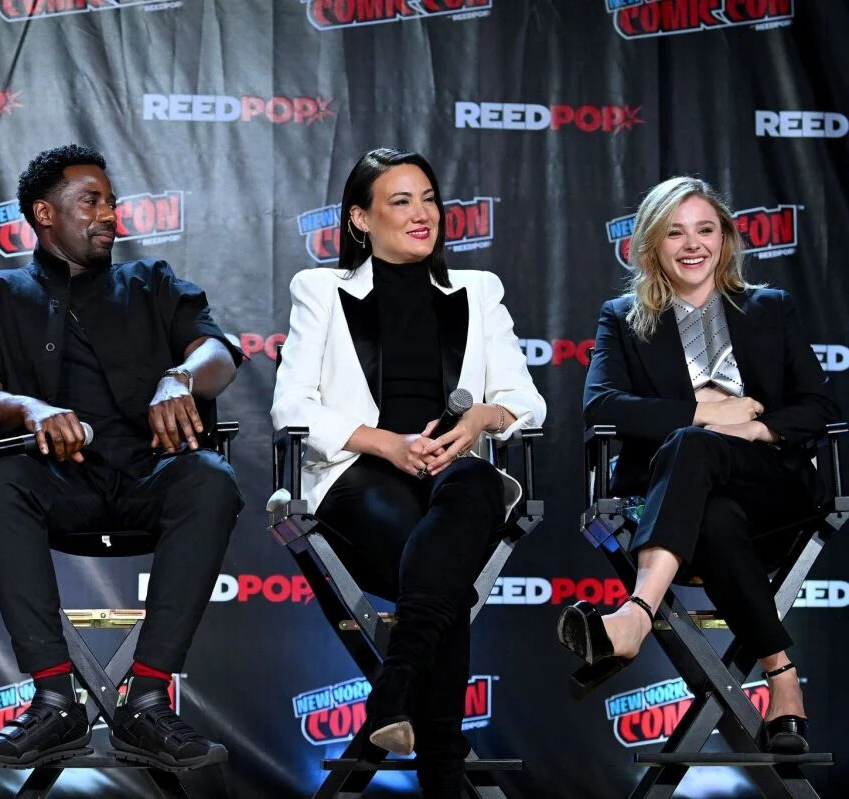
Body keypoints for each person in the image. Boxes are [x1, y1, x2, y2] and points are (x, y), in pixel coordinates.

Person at [0, 144, 242, 771]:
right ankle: (55, 701)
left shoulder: (151, 282)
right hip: (57, 483)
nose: (109, 214)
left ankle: (148, 701)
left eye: (111, 202)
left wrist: (179, 379)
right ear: (44, 213)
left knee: (211, 478)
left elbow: (217, 353)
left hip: (149, 476)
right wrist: (30, 407)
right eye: (91, 201)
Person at [270, 147, 546, 795]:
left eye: (428, 199)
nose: (423, 214)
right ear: (360, 219)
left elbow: (527, 401)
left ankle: (393, 691)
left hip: (455, 477)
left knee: (474, 487)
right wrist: (388, 444)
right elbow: (291, 408)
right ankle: (442, 768)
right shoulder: (321, 290)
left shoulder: (479, 290)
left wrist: (480, 419)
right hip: (359, 477)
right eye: (401, 201)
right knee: (441, 570)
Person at [557, 176, 839, 754]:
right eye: (674, 233)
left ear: (725, 239)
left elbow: (820, 406)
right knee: (710, 504)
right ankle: (784, 681)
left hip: (771, 492)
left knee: (697, 447)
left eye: (705, 230)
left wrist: (751, 427)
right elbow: (600, 407)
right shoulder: (624, 317)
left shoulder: (769, 308)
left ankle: (636, 613)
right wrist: (705, 411)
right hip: (683, 506)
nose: (692, 245)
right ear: (651, 245)